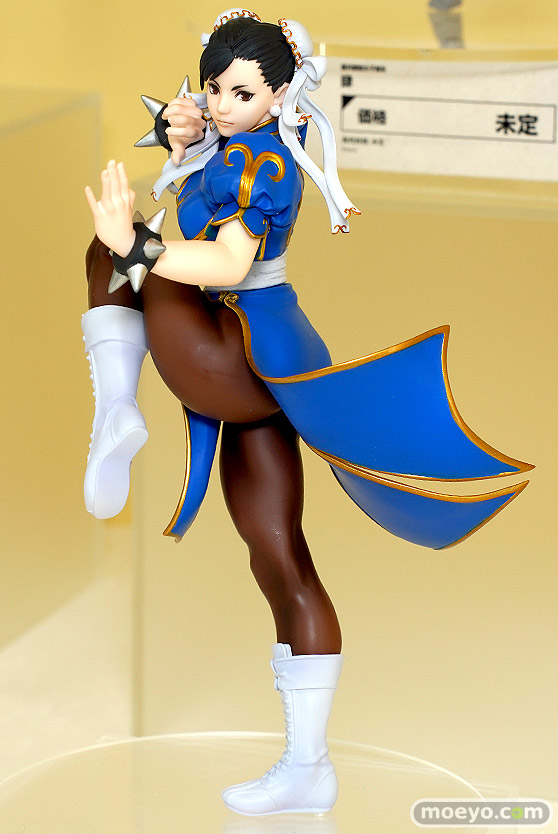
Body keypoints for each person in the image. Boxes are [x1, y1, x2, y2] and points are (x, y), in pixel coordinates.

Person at [83, 8, 531, 816]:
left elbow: (226, 261)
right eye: (215, 87)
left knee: (109, 254)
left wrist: (136, 247)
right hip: (270, 364)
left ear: (281, 94)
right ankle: (308, 766)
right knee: (279, 556)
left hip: (234, 345)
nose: (222, 103)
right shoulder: (240, 141)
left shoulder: (264, 163)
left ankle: (115, 407)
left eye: (241, 93)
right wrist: (185, 131)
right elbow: (203, 146)